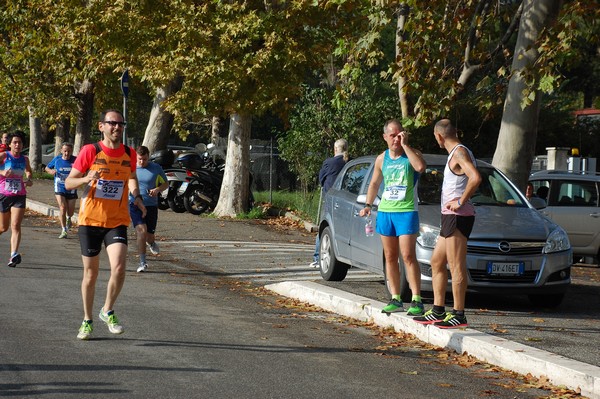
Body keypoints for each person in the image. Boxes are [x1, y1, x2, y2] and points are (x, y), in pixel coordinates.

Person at [65, 109, 146, 340]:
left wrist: (137, 196)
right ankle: (87, 320)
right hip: (90, 220)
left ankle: (107, 310)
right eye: (112, 123)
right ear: (102, 126)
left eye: (120, 124)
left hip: (117, 220)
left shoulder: (129, 153)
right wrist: (86, 179)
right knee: (91, 274)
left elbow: (131, 176)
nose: (117, 127)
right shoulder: (91, 151)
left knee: (119, 268)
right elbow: (70, 182)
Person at [413, 119, 481, 328]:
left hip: (458, 217)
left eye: (435, 137)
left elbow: (475, 178)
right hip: (449, 217)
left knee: (456, 266)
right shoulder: (456, 153)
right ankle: (438, 310)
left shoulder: (459, 153)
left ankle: (459, 314)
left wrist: (460, 201)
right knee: (436, 261)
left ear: (439, 136)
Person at [359, 119, 426, 315]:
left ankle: (416, 299)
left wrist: (406, 146)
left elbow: (420, 167)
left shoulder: (410, 155)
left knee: (408, 255)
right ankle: (395, 298)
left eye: (399, 135)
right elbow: (374, 183)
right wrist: (368, 205)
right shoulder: (381, 158)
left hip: (406, 211)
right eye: (392, 135)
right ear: (385, 137)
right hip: (386, 211)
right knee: (390, 256)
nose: (396, 139)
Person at [310, 138, 349, 268]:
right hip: (348, 200)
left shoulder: (329, 163)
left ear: (335, 149)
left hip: (331, 199)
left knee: (325, 228)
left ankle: (318, 256)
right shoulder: (351, 162)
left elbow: (321, 179)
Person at [129, 145, 168, 273]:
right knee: (141, 231)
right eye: (139, 159)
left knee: (149, 235)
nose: (142, 162)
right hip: (134, 204)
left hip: (151, 205)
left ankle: (151, 243)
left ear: (148, 157)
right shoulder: (131, 168)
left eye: (145, 159)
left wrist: (157, 189)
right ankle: (142, 262)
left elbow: (165, 183)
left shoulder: (156, 168)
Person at [0, 131, 33, 267]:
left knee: (16, 225)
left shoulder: (24, 159)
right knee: (3, 227)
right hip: (3, 194)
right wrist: (2, 172)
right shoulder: (3, 156)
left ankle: (13, 254)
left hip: (19, 194)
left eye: (20, 142)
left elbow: (29, 171)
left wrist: (29, 179)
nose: (17, 145)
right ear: (10, 144)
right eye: (15, 142)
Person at [45, 142, 77, 238]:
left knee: (70, 211)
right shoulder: (57, 159)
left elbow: (82, 169)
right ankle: (64, 230)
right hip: (59, 187)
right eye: (65, 151)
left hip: (71, 187)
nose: (66, 153)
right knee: (62, 207)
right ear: (61, 151)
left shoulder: (75, 160)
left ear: (71, 151)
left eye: (69, 151)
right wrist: (51, 171)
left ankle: (68, 218)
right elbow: (47, 167)